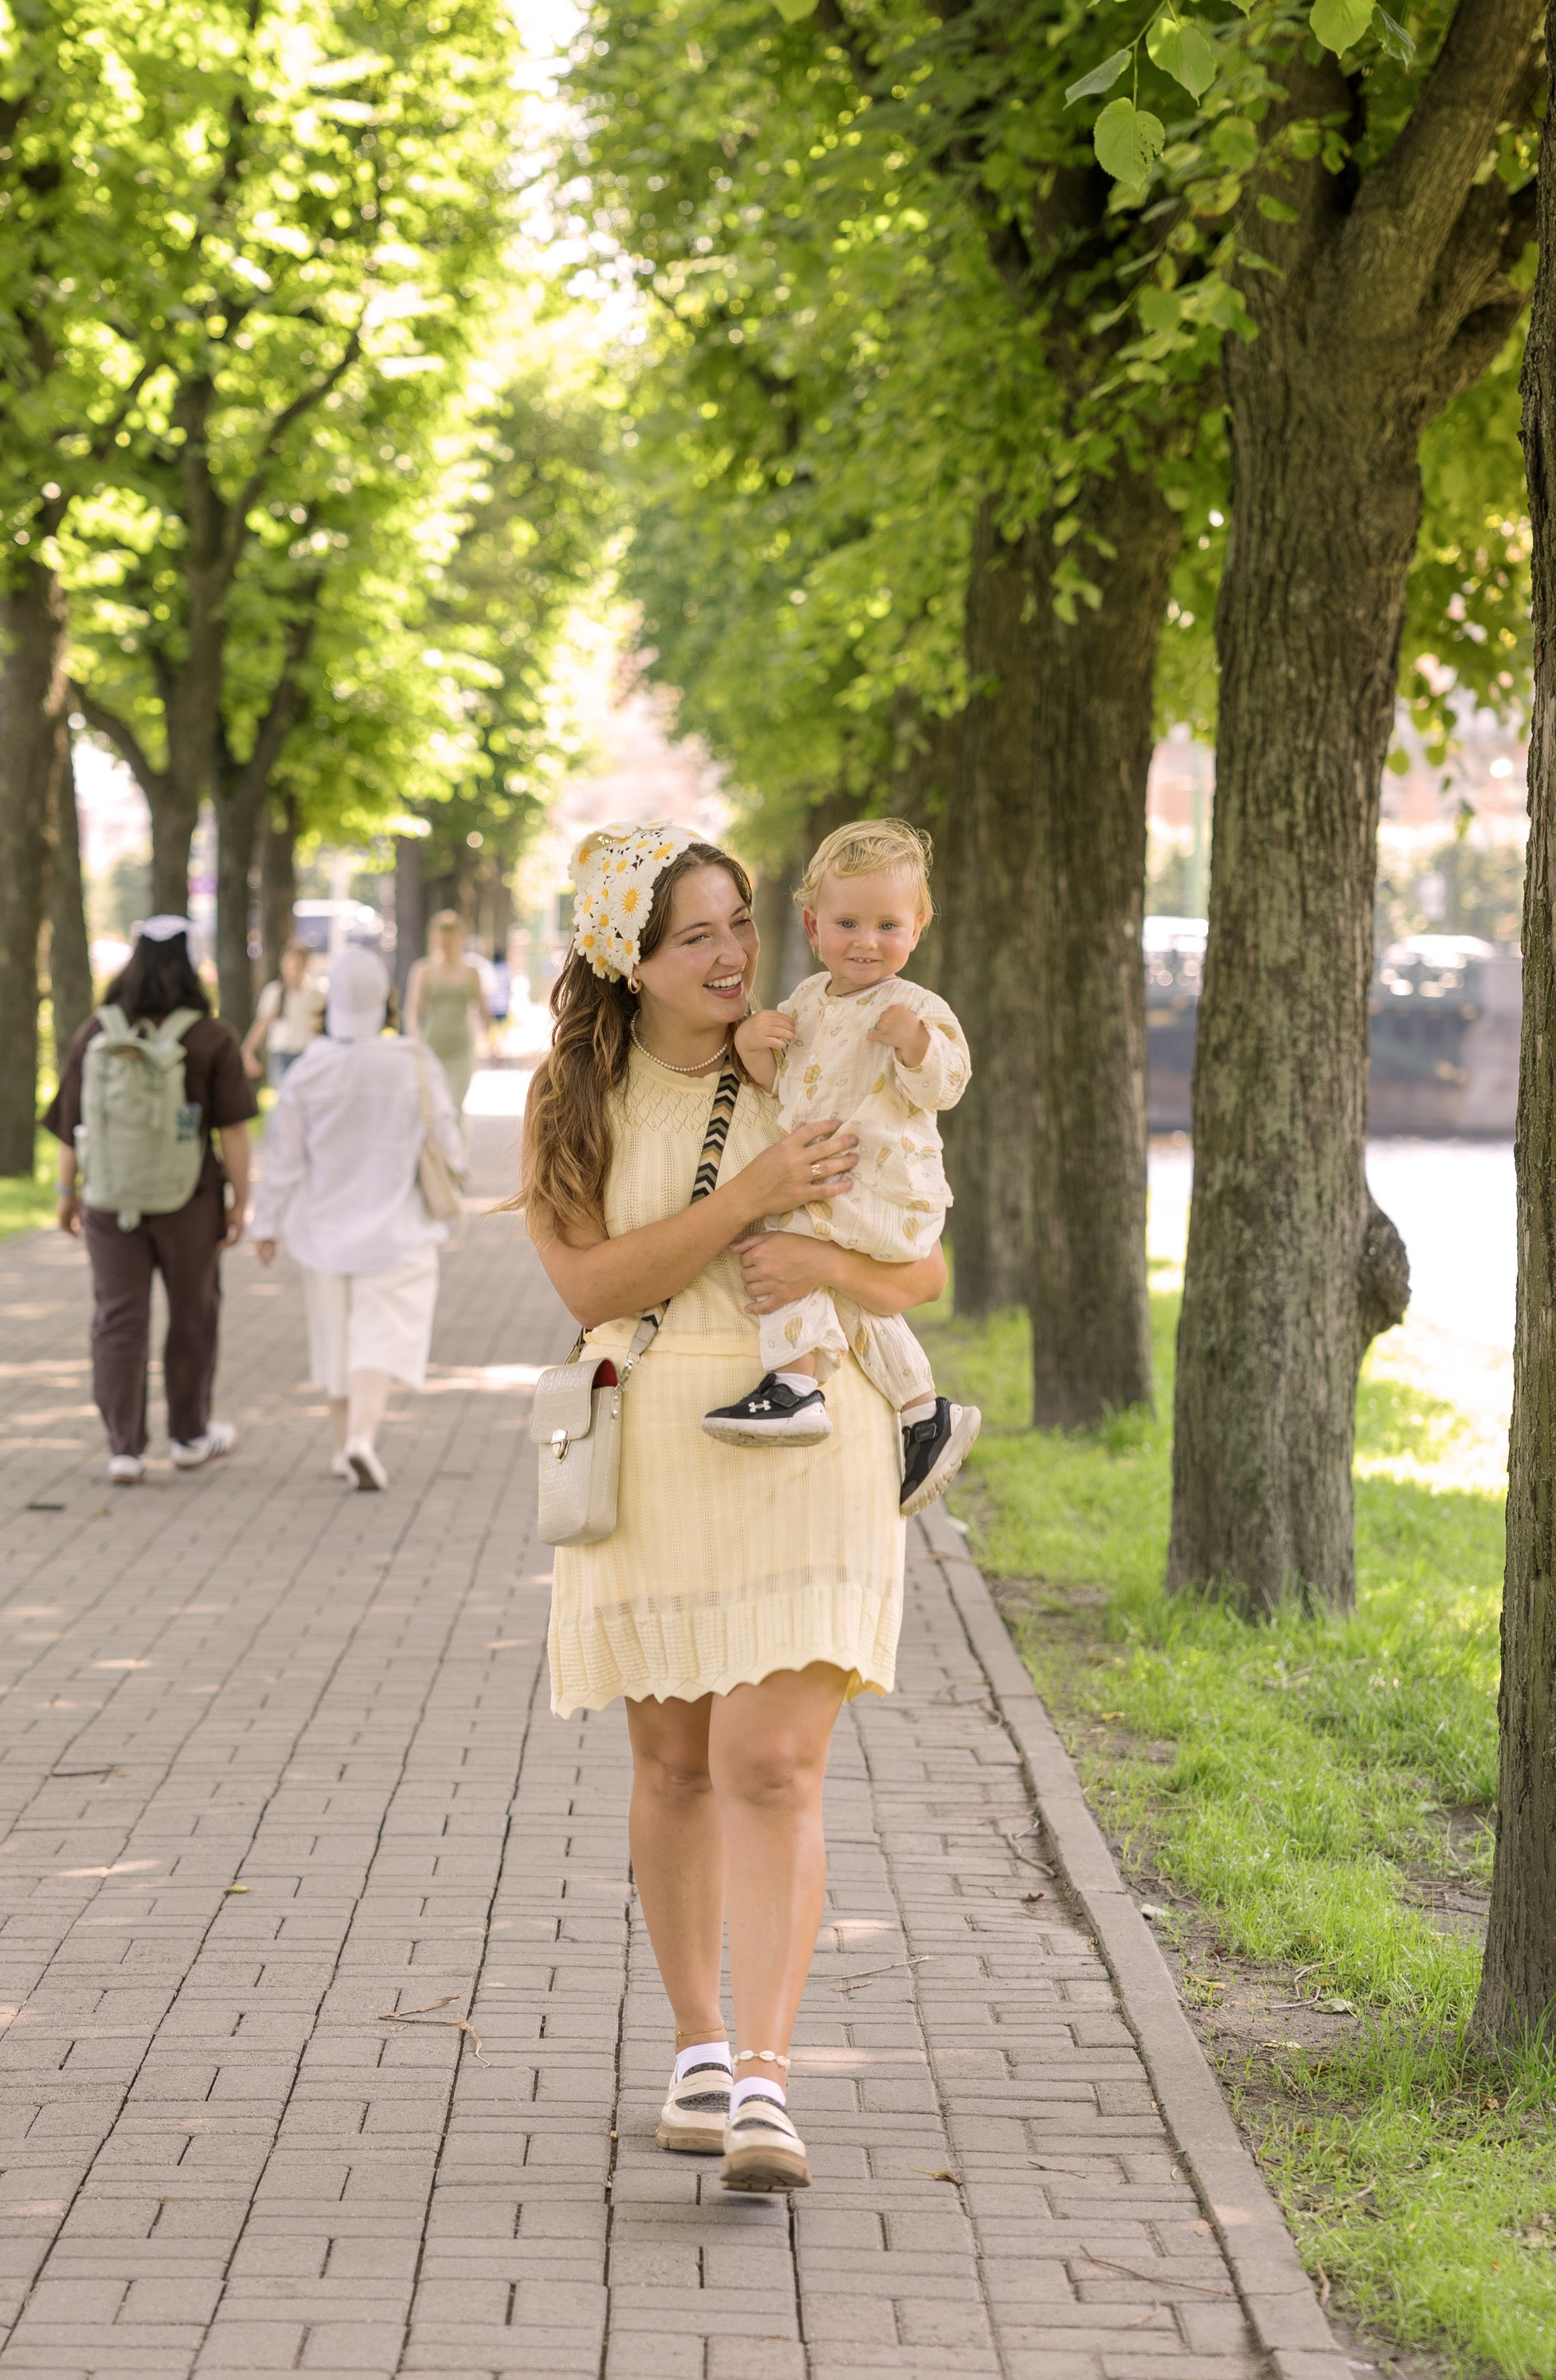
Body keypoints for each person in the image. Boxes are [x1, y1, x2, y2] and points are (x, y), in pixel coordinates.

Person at [522, 822, 945, 2196]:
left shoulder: (820, 1047)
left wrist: (814, 1245)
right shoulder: (572, 1098)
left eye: (738, 924)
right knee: (675, 1764)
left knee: (773, 1761)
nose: (728, 954)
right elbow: (591, 1287)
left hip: (814, 1428)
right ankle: (697, 2045)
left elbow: (919, 1270)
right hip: (656, 1437)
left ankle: (766, 2075)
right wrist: (756, 1194)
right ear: (627, 958)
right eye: (694, 933)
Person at [706, 818, 982, 1515]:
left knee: (786, 1249)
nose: (866, 941)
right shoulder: (805, 1003)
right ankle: (925, 1411)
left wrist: (918, 1046)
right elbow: (781, 1088)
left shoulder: (915, 1006)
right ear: (812, 925)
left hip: (886, 1188)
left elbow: (948, 1083)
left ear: (917, 928)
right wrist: (751, 1043)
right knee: (850, 1298)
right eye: (848, 922)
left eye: (888, 924)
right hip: (840, 1184)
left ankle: (796, 1384)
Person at [45, 916, 256, 1485]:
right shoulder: (211, 1036)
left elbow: (74, 1124)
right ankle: (189, 1436)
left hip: (110, 1200)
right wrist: (240, 1200)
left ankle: (124, 1449)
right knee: (193, 1313)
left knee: (118, 1318)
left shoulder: (96, 1032)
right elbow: (233, 1131)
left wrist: (68, 1193)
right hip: (190, 1201)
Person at [250, 944, 465, 1492]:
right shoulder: (413, 1060)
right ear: (387, 1003)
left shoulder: (308, 1070)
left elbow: (283, 1159)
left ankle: (345, 1447)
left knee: (334, 1341)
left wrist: (267, 1223)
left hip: (321, 1229)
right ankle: (362, 1440)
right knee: (379, 1335)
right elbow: (448, 1139)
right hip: (398, 1227)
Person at [405, 910, 491, 1146]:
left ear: (459, 939)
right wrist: (414, 1039)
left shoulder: (471, 972)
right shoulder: (423, 970)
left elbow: (483, 1010)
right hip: (432, 1047)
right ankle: (438, 1161)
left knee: (454, 1105)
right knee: (433, 1107)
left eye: (450, 938)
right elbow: (412, 1010)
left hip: (462, 1048)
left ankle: (457, 1162)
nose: (445, 944)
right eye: (441, 938)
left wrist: (492, 1042)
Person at [242, 938, 325, 1092]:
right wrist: (247, 1051)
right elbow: (262, 1023)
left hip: (305, 1054)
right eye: (290, 963)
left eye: (298, 964)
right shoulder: (273, 992)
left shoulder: (315, 995)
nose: (294, 968)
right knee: (284, 1098)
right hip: (280, 1055)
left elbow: (321, 1025)